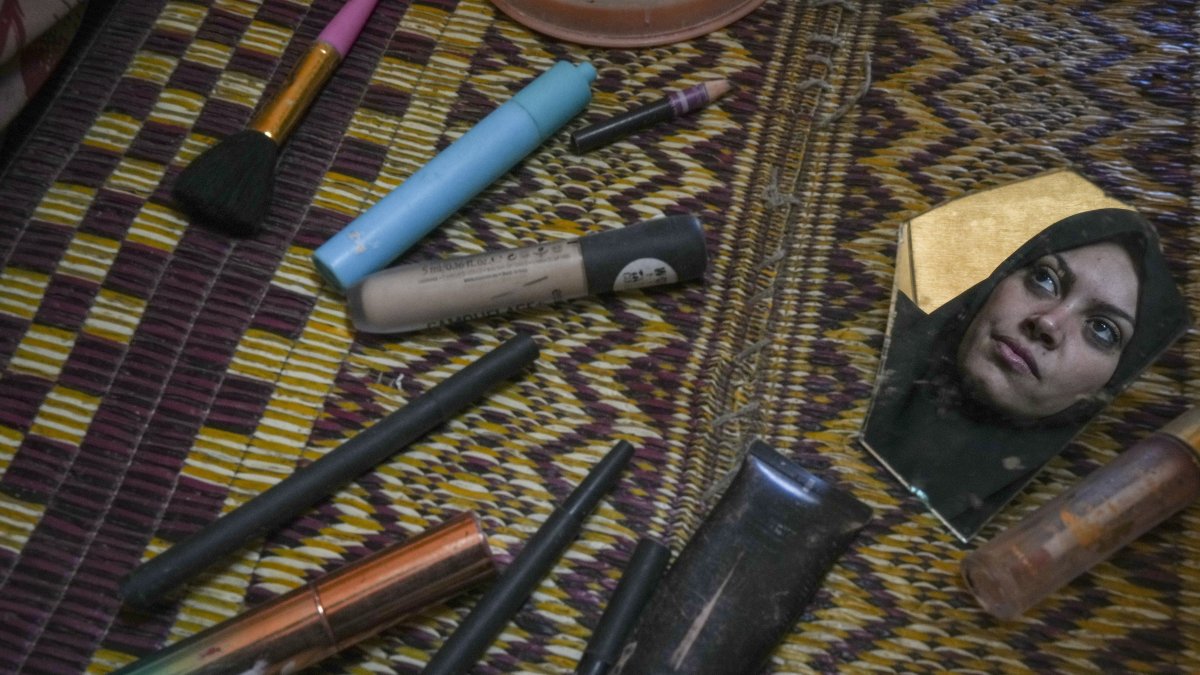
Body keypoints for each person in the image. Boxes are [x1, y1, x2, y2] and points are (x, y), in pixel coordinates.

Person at [861, 208, 1190, 540]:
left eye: (1103, 330)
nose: (1048, 322)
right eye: (1045, 279)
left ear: (1117, 381)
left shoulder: (1041, 540)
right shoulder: (855, 347)